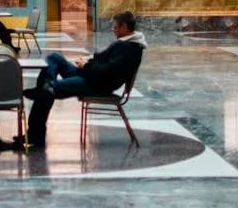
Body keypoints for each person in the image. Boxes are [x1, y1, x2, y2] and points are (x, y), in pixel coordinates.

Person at [22, 10, 146, 149]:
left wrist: (87, 65)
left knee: (48, 91)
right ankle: (45, 88)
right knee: (55, 58)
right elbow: (101, 57)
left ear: (124, 27)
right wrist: (87, 59)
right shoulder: (125, 42)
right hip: (89, 76)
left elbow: (108, 71)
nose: (113, 30)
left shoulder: (130, 49)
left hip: (97, 85)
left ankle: (35, 135)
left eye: (115, 27)